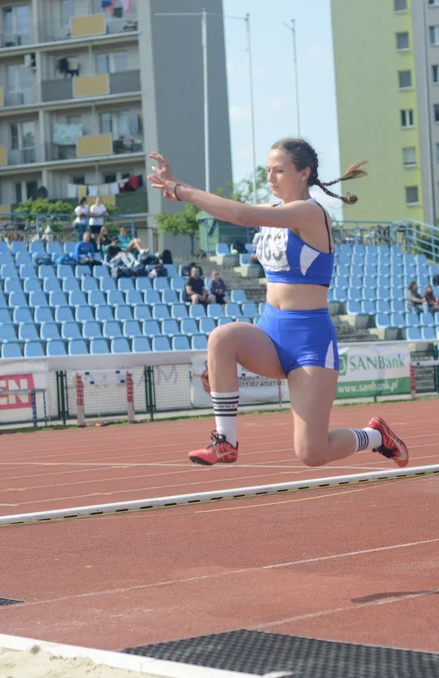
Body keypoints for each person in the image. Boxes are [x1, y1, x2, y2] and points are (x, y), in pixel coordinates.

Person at [146, 140, 408, 468]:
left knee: (312, 453)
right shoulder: (273, 214)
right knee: (221, 340)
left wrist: (182, 189)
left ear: (304, 173)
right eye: (268, 170)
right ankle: (225, 441)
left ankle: (376, 436)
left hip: (310, 343)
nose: (270, 177)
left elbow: (240, 214)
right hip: (270, 332)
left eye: (279, 170)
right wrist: (178, 188)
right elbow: (233, 208)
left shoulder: (310, 213)